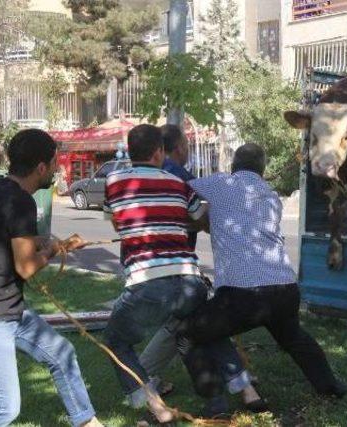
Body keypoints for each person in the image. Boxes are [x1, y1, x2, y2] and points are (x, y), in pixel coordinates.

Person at [102, 124, 255, 423]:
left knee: (116, 341)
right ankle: (246, 388)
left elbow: (116, 223)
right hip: (190, 280)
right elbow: (199, 219)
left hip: (147, 282)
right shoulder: (178, 184)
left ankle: (155, 406)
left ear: (130, 152)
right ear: (159, 151)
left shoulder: (114, 181)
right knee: (205, 329)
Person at [174, 143, 347, 400]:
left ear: (233, 166)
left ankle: (213, 398)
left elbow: (182, 183)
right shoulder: (271, 195)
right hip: (284, 289)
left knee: (188, 333)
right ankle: (331, 386)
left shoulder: (222, 184)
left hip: (242, 296)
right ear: (263, 170)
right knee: (294, 338)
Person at [0, 129, 102, 427]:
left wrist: (57, 243)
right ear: (41, 167)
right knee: (3, 409)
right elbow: (26, 267)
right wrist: (56, 250)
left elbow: (19, 239)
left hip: (8, 309)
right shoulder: (21, 202)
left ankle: (86, 422)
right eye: (55, 163)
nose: (57, 169)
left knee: (62, 354)